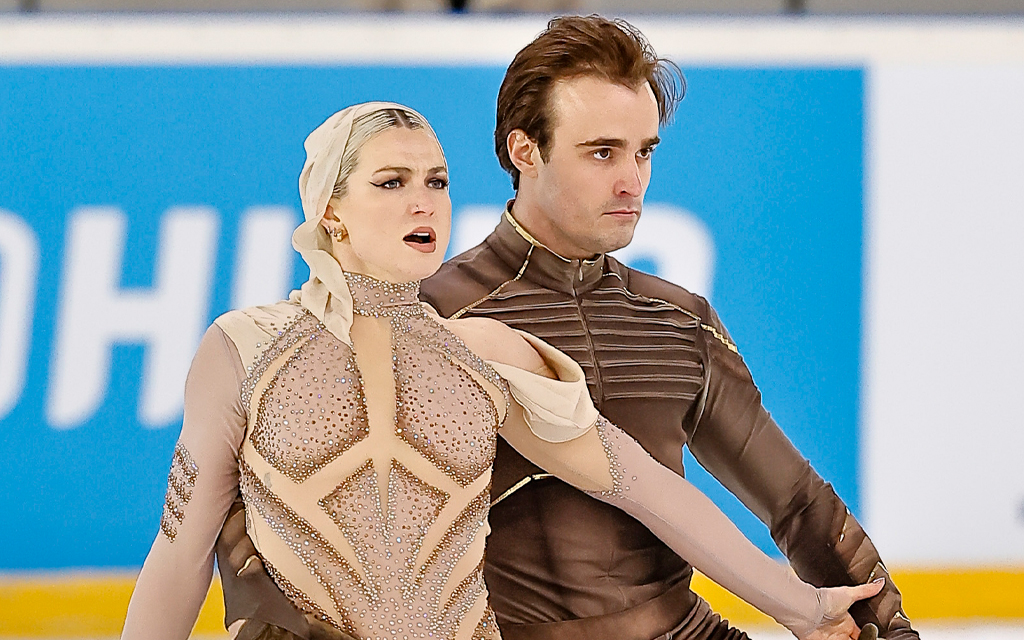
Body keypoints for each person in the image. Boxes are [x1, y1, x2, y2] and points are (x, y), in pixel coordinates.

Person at [215, 16, 920, 640]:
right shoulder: (426, 318)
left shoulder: (679, 322)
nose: (632, 183)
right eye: (602, 152)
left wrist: (889, 630)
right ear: (525, 150)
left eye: (644, 151)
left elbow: (797, 505)